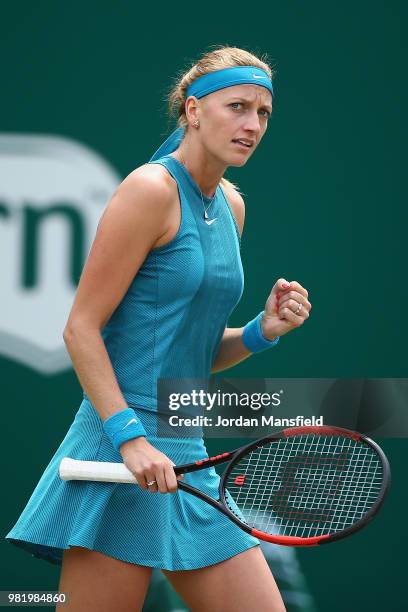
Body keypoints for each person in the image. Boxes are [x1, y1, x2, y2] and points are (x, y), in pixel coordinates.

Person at [5, 45, 312, 611]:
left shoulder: (231, 207)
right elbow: (82, 329)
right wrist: (131, 439)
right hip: (118, 455)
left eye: (263, 113)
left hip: (183, 455)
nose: (252, 124)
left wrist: (261, 332)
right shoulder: (149, 191)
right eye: (237, 106)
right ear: (193, 111)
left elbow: (187, 358)